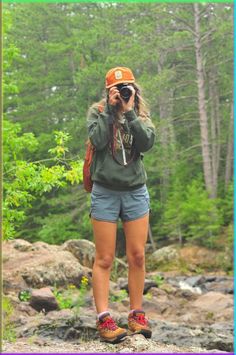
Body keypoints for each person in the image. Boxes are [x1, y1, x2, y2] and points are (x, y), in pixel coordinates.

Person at [86, 67, 155, 343]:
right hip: (105, 192)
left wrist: (129, 112)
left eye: (127, 87)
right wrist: (109, 111)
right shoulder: (98, 112)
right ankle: (105, 319)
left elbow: (147, 143)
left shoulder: (141, 115)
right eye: (117, 88)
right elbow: (98, 140)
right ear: (108, 91)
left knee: (137, 255)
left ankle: (136, 315)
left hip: (135, 192)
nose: (123, 92)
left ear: (135, 89)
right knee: (104, 258)